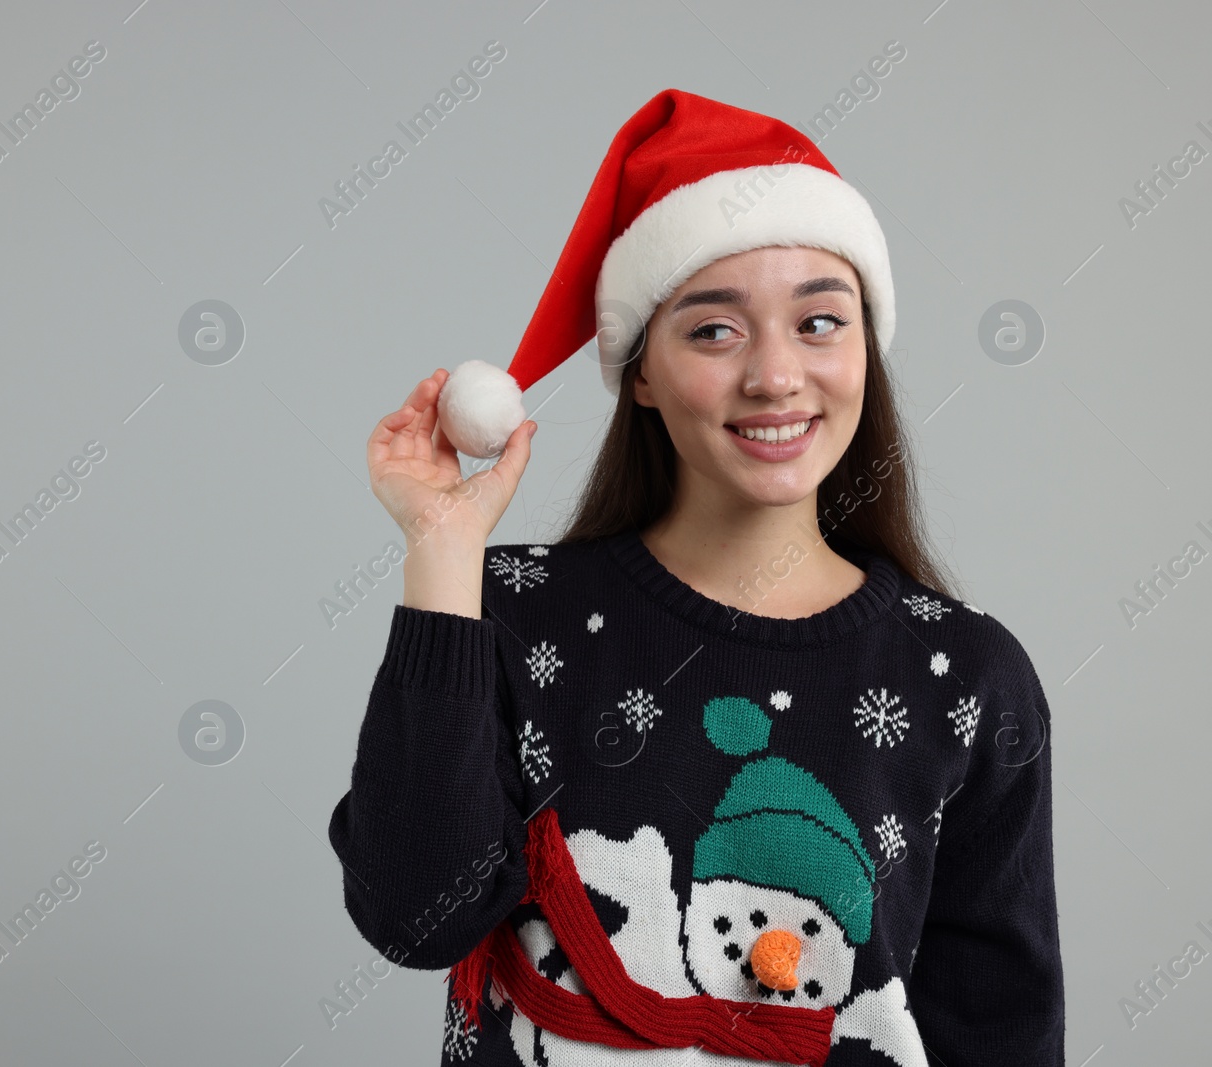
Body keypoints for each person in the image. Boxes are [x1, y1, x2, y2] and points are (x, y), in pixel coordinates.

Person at [328, 89, 1064, 1067]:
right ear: (640, 371)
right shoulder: (506, 610)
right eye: (713, 330)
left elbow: (999, 1027)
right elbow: (416, 916)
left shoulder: (963, 672)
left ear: (864, 351)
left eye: (819, 322)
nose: (773, 374)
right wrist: (441, 549)